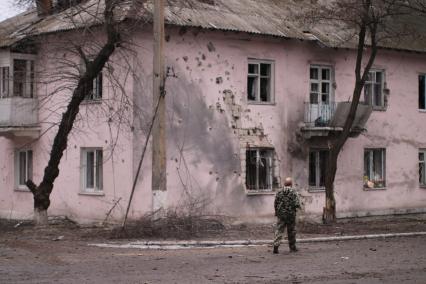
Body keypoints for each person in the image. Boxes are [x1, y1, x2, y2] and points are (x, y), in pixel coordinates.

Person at [273, 177, 301, 254]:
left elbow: (275, 203)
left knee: (279, 230)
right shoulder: (293, 192)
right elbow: (297, 204)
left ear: (284, 183)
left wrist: (276, 212)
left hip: (281, 215)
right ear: (291, 184)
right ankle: (292, 248)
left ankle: (276, 246)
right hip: (291, 215)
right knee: (291, 231)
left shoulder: (279, 192)